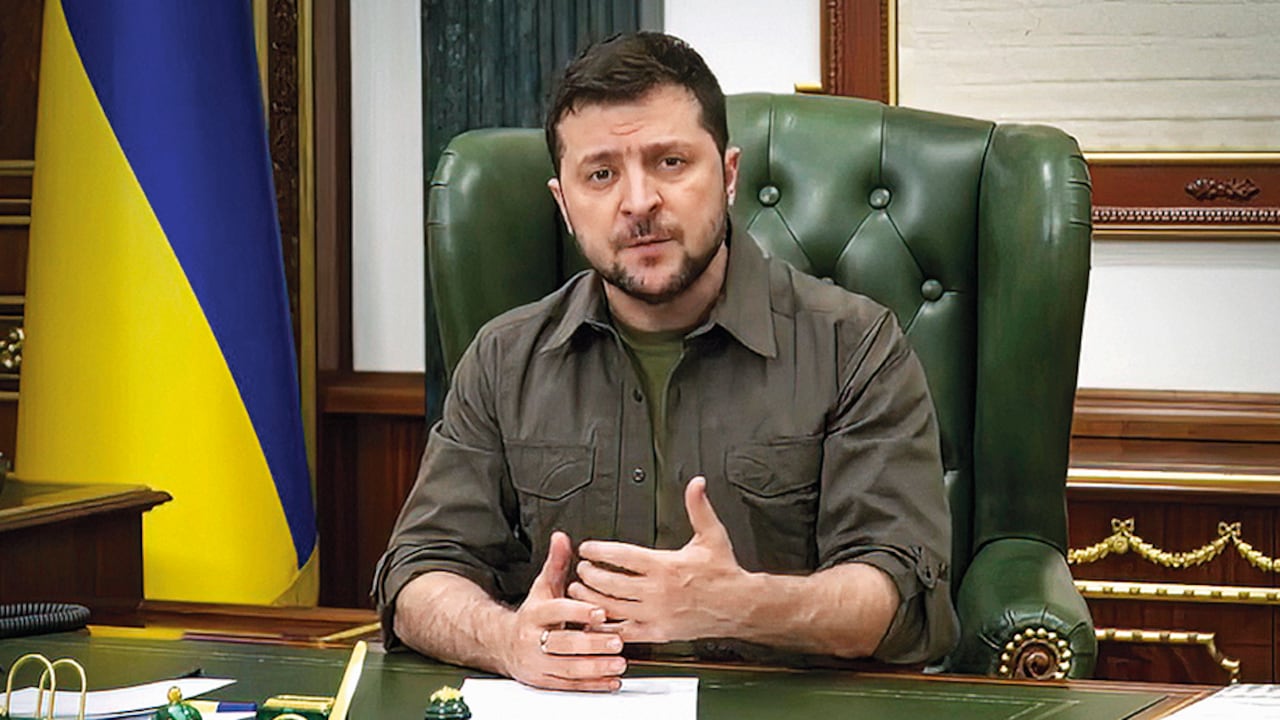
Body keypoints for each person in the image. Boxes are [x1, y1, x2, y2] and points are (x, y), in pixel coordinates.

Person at [375, 31, 958, 692]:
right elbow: (419, 572)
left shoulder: (856, 347)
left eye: (671, 162)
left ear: (730, 175)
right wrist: (506, 639)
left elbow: (898, 596)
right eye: (600, 174)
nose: (638, 202)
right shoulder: (504, 359)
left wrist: (742, 605)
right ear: (564, 204)